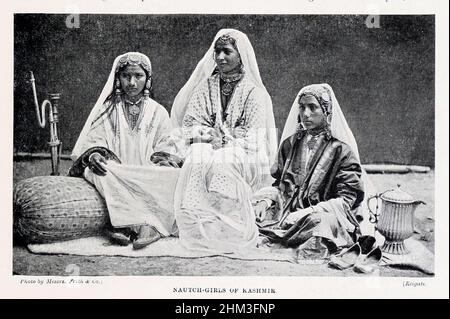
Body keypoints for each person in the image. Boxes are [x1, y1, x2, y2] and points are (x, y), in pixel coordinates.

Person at [161, 29, 278, 254]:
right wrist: (206, 135)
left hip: (246, 152)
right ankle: (198, 222)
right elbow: (191, 122)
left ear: (241, 55)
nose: (221, 57)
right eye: (217, 52)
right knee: (197, 156)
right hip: (210, 147)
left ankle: (228, 225)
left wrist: (225, 140)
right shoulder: (206, 86)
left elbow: (254, 136)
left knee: (223, 160)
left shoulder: (255, 93)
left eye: (227, 51)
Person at [69, 52, 179, 249]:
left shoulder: (158, 111)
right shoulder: (108, 109)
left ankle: (146, 226)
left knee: (174, 175)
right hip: (116, 170)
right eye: (126, 76)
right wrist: (94, 155)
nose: (132, 82)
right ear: (117, 79)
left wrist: (164, 159)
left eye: (138, 76)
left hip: (146, 171)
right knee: (99, 171)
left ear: (148, 80)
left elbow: (166, 143)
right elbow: (94, 140)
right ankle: (127, 224)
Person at [252, 83, 367, 258]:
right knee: (249, 214)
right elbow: (280, 184)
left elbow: (347, 200)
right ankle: (292, 235)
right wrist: (265, 202)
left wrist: (308, 212)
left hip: (318, 215)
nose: (305, 114)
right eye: (302, 108)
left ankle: (299, 236)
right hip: (286, 212)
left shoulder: (341, 151)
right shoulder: (290, 144)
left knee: (319, 223)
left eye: (313, 107)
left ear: (326, 112)